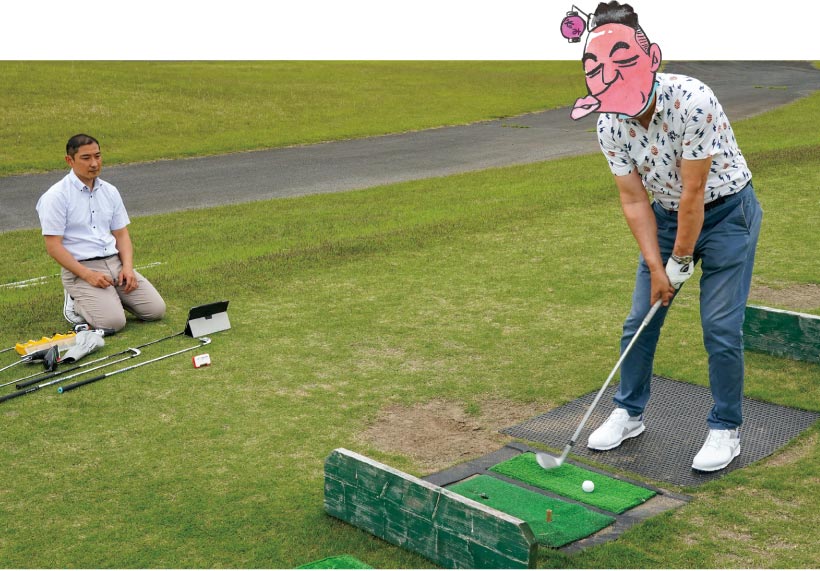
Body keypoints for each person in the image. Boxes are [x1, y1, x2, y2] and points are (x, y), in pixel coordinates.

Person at [570, 2, 763, 471]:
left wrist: (678, 264)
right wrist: (658, 268)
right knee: (639, 320)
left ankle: (725, 429)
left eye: (623, 61)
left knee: (720, 326)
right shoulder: (609, 122)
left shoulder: (693, 99)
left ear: (650, 57)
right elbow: (634, 199)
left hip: (727, 213)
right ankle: (628, 412)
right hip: (667, 215)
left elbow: (694, 192)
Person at [36, 134, 166, 332]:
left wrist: (128, 267)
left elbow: (121, 234)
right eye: (86, 158)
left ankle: (108, 299)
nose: (94, 163)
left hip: (115, 264)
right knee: (113, 323)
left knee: (155, 311)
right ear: (69, 160)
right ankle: (75, 302)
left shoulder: (110, 191)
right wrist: (87, 275)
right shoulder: (56, 196)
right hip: (81, 268)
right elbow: (53, 246)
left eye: (97, 156)